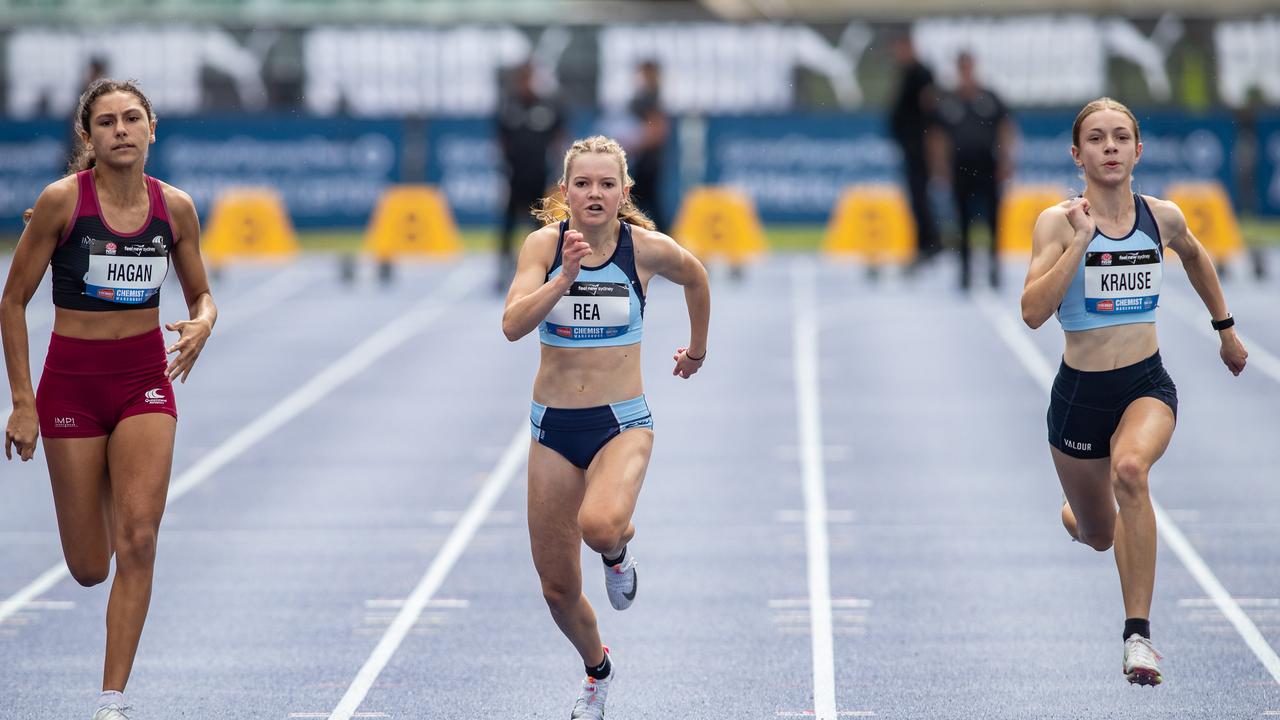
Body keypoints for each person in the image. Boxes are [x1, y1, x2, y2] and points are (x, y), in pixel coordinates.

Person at [2, 79, 217, 720]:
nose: (120, 130)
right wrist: (22, 401)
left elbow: (200, 294)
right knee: (92, 566)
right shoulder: (62, 203)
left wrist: (205, 319)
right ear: (88, 137)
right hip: (71, 385)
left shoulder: (174, 208)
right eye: (106, 122)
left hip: (143, 381)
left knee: (142, 538)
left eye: (131, 119)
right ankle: (100, 483)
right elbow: (12, 302)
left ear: (152, 130)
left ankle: (111, 700)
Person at [1020, 97, 1247, 686]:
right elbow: (1032, 314)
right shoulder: (1054, 222)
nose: (1111, 147)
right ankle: (1081, 514)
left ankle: (1138, 638)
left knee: (1130, 471)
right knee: (1099, 534)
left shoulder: (1162, 217)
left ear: (1138, 150)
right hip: (1078, 398)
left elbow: (1196, 258)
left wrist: (1225, 330)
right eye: (1096, 139)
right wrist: (1080, 243)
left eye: (1121, 137)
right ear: (1078, 155)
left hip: (1146, 383)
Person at [501, 135, 709, 719]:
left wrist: (696, 350)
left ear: (624, 191)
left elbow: (697, 278)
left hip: (622, 422)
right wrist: (561, 278)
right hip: (552, 430)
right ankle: (597, 672)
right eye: (583, 184)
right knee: (558, 590)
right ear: (565, 191)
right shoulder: (544, 246)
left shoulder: (644, 249)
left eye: (606, 184)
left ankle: (617, 554)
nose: (595, 194)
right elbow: (512, 325)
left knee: (599, 524)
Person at [937, 51, 1015, 290]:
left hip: (987, 165)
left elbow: (1005, 128)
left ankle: (993, 266)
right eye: (962, 68)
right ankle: (965, 270)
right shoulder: (950, 101)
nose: (966, 72)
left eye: (969, 67)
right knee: (962, 220)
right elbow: (939, 138)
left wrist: (1005, 160)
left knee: (993, 219)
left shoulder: (990, 98)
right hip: (960, 167)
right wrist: (940, 168)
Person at [496, 61, 565, 290]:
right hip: (515, 175)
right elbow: (501, 139)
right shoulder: (509, 107)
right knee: (509, 222)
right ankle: (503, 268)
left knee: (539, 225)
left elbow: (559, 137)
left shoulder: (548, 106)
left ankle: (541, 268)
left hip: (539, 174)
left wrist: (559, 168)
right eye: (523, 78)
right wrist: (504, 166)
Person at [889, 34, 942, 266]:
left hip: (920, 146)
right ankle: (925, 242)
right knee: (916, 196)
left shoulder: (921, 74)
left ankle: (930, 243)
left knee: (921, 196)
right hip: (910, 146)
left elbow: (929, 109)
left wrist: (930, 146)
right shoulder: (907, 73)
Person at [627, 61, 670, 232]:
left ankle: (661, 237)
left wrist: (636, 143)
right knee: (644, 200)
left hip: (648, 158)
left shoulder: (651, 97)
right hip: (646, 157)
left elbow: (658, 130)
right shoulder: (648, 96)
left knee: (637, 199)